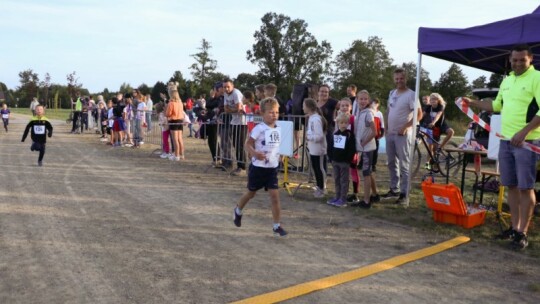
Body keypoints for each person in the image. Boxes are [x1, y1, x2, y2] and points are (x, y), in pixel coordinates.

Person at [462, 44, 540, 250]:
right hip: (506, 141)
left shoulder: (537, 78)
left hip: (527, 142)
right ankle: (514, 228)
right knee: (511, 186)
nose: (517, 63)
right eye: (514, 60)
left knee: (526, 187)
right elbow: (496, 106)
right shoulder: (507, 80)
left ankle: (523, 232)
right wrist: (473, 103)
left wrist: (523, 132)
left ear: (530, 59)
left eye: (522, 60)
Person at [233, 98, 287, 237]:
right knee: (251, 193)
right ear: (262, 113)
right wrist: (254, 153)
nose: (274, 115)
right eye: (271, 112)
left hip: (272, 169)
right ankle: (238, 210)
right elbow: (248, 144)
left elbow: (277, 145)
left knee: (275, 197)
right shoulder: (259, 128)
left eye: (276, 112)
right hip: (258, 168)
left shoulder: (279, 128)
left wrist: (280, 154)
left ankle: (276, 226)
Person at [382, 68, 423, 207]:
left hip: (403, 135)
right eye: (397, 78)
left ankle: (404, 194)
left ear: (406, 79)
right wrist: (386, 128)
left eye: (401, 78)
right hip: (390, 134)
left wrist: (406, 127)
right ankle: (394, 189)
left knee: (404, 165)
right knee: (391, 163)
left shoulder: (412, 94)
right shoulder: (392, 93)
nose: (399, 81)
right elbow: (388, 110)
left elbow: (419, 115)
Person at [353, 90, 377, 209]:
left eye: (365, 99)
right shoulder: (360, 112)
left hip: (367, 148)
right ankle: (375, 194)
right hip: (362, 148)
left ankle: (366, 201)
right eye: (360, 99)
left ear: (368, 100)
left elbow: (374, 131)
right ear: (357, 100)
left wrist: (364, 142)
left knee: (366, 174)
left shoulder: (368, 113)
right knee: (369, 172)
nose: (362, 101)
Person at [327, 113, 356, 207]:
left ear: (348, 124)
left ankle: (343, 199)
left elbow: (352, 149)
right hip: (335, 161)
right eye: (341, 122)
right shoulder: (335, 134)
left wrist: (348, 160)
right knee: (336, 179)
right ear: (338, 123)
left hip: (344, 162)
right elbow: (330, 147)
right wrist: (331, 158)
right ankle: (337, 196)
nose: (343, 124)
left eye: (345, 123)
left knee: (344, 181)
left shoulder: (349, 135)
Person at [304, 98, 328, 198]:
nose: (302, 107)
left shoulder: (316, 119)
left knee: (319, 168)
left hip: (319, 149)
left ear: (308, 107)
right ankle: (319, 186)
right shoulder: (311, 118)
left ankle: (322, 189)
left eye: (303, 105)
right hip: (313, 149)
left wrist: (308, 137)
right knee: (315, 168)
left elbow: (319, 136)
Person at [223, 78, 247, 176]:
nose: (226, 89)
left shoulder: (236, 93)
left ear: (233, 86)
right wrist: (233, 110)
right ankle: (239, 166)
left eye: (228, 86)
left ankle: (243, 167)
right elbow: (226, 109)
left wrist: (232, 109)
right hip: (234, 121)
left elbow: (238, 108)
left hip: (242, 122)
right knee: (235, 145)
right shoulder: (225, 94)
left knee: (240, 145)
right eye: (224, 87)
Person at [424, 93, 454, 164]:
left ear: (438, 100)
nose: (433, 101)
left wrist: (433, 122)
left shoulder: (441, 106)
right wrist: (415, 121)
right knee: (431, 148)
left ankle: (441, 147)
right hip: (433, 128)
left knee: (451, 132)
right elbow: (422, 114)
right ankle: (429, 166)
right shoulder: (428, 107)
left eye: (435, 99)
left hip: (441, 125)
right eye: (431, 99)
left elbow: (438, 115)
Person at [317, 84, 339, 161]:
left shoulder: (332, 102)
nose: (324, 93)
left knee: (329, 148)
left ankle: (332, 165)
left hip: (329, 130)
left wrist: (340, 118)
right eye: (322, 91)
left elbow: (344, 106)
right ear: (318, 92)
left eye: (326, 92)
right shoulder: (315, 103)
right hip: (318, 130)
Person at [165, 82, 185, 161]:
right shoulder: (180, 103)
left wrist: (167, 114)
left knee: (175, 139)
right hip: (180, 120)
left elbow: (168, 113)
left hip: (173, 121)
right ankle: (182, 154)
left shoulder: (171, 103)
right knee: (180, 139)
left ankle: (176, 155)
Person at [369, 98, 383, 203]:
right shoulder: (365, 112)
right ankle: (373, 193)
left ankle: (374, 193)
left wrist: (379, 136)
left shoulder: (379, 114)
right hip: (366, 142)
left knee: (370, 168)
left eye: (374, 103)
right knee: (367, 169)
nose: (373, 104)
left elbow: (381, 128)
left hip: (373, 141)